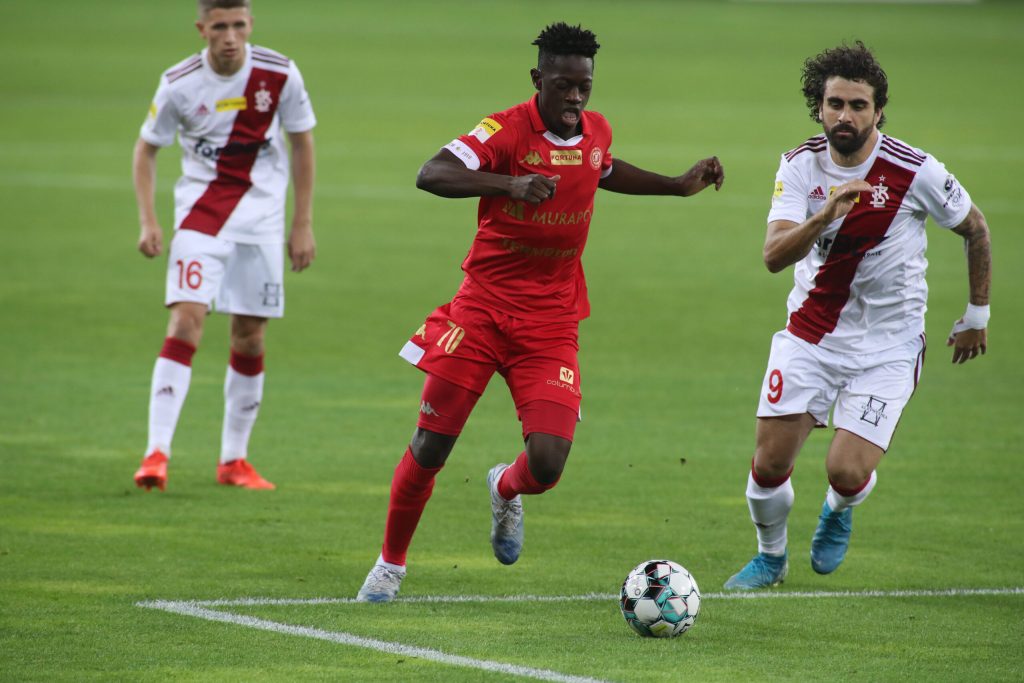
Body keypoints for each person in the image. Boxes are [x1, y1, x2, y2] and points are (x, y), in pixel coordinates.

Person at [356, 22, 725, 602]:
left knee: (548, 463)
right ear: (538, 79)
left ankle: (505, 488)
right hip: (480, 313)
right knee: (431, 446)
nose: (575, 98)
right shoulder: (502, 130)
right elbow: (431, 173)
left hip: (551, 323)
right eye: (563, 86)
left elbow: (603, 168)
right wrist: (509, 184)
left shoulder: (596, 130)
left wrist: (677, 185)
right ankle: (390, 566)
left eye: (584, 86)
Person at [724, 41, 991, 589]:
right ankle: (771, 558)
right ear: (819, 107)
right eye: (835, 104)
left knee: (845, 471)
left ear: (878, 111)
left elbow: (976, 228)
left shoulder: (915, 170)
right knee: (769, 465)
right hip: (811, 336)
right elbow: (773, 256)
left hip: (888, 347)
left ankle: (839, 509)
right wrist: (824, 214)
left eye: (858, 105)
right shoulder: (800, 165)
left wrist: (977, 314)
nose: (845, 116)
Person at [131, 0, 316, 492]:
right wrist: (149, 221)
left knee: (250, 336)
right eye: (219, 26)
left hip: (262, 221)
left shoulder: (279, 73)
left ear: (250, 24)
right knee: (186, 320)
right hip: (202, 216)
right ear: (202, 28)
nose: (230, 36)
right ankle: (156, 453)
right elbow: (146, 149)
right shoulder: (179, 83)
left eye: (238, 25)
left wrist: (302, 223)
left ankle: (234, 460)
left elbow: (302, 142)